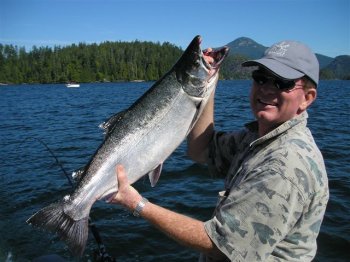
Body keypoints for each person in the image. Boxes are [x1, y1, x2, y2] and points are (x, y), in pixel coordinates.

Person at [109, 40, 329, 261]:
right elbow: (202, 150)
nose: (266, 88)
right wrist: (207, 79)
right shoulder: (256, 139)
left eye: (282, 83)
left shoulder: (285, 166)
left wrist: (136, 204)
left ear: (307, 98)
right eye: (260, 78)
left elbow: (220, 245)